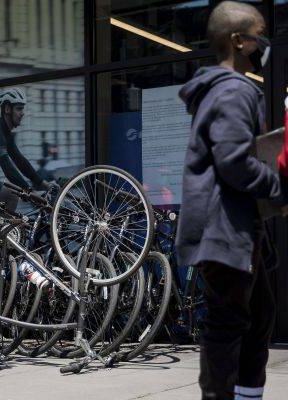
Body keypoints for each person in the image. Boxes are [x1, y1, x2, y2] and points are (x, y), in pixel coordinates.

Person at [176, 2, 285, 399]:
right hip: (225, 228)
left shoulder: (226, 92)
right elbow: (234, 162)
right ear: (238, 41)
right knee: (228, 323)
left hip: (236, 225)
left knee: (258, 316)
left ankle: (246, 393)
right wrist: (279, 189)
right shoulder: (234, 92)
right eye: (260, 36)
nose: (262, 46)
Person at [0, 88, 57, 211]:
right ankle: (6, 231)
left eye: (23, 108)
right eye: (19, 108)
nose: (22, 113)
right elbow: (7, 166)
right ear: (7, 109)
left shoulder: (5, 133)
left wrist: (43, 183)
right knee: (11, 196)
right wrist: (28, 191)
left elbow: (20, 161)